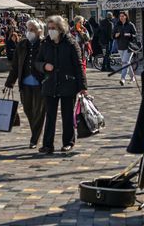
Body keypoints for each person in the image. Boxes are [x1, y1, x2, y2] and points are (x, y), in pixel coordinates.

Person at [36, 15, 87, 154]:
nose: (51, 31)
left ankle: (68, 142)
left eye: (53, 28)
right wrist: (44, 66)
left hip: (67, 84)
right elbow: (37, 62)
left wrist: (83, 87)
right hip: (50, 83)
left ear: (60, 29)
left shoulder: (71, 43)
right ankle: (47, 145)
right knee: (50, 116)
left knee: (67, 115)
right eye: (49, 28)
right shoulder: (45, 43)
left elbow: (78, 65)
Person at [5, 19, 46, 148]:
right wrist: (9, 82)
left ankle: (34, 138)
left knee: (39, 112)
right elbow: (15, 66)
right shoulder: (22, 44)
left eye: (32, 29)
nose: (29, 32)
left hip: (41, 84)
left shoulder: (45, 44)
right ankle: (35, 132)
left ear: (39, 31)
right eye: (28, 29)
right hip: (25, 84)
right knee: (28, 110)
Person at [113, 11, 138, 85]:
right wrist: (115, 35)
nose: (121, 17)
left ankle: (122, 78)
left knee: (124, 62)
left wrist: (130, 35)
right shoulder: (117, 25)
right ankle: (132, 77)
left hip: (129, 47)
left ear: (126, 17)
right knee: (127, 63)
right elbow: (113, 35)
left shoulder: (130, 25)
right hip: (120, 46)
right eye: (120, 16)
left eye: (123, 16)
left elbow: (135, 35)